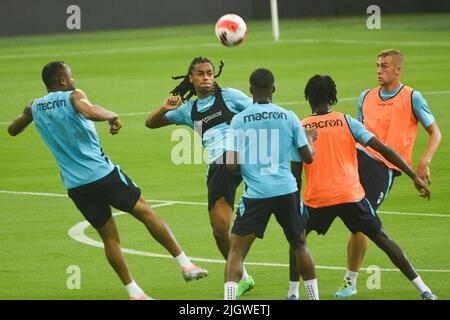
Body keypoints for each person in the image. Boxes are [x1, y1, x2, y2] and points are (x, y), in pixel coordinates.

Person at [7, 61, 208, 300]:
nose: (74, 80)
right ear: (63, 80)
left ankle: (135, 293)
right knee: (146, 212)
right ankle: (186, 265)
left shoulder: (34, 107)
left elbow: (12, 129)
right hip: (103, 175)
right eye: (71, 76)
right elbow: (90, 111)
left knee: (109, 237)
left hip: (76, 186)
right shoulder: (73, 95)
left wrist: (30, 118)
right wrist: (112, 115)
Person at [289, 74, 437, 300]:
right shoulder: (347, 121)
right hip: (351, 195)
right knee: (384, 241)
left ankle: (293, 294)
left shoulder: (301, 127)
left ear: (308, 97)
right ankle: (424, 289)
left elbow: (295, 174)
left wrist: (295, 205)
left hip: (317, 199)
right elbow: (384, 150)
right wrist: (412, 176)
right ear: (332, 97)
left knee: (297, 240)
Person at [335, 49, 442, 298]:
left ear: (398, 69)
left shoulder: (412, 97)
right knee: (356, 218)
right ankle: (348, 281)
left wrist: (423, 162)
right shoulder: (366, 96)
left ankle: (350, 280)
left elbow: (435, 133)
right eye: (377, 66)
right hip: (356, 159)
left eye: (384, 66)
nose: (379, 71)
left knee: (361, 221)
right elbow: (359, 135)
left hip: (384, 169)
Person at [145, 57, 255, 296]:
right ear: (191, 78)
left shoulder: (230, 97)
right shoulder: (188, 110)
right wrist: (164, 108)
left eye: (210, 73)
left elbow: (259, 112)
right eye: (201, 74)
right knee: (219, 229)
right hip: (218, 166)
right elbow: (150, 123)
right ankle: (242, 276)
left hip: (238, 156)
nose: (206, 77)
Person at [224, 68, 318, 300]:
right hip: (287, 190)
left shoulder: (238, 120)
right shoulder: (289, 116)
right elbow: (308, 158)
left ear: (250, 90)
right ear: (273, 89)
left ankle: (229, 302)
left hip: (256, 194)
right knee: (299, 245)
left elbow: (231, 166)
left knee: (236, 251)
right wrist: (309, 138)